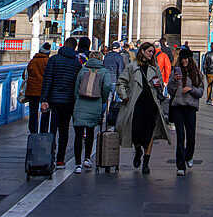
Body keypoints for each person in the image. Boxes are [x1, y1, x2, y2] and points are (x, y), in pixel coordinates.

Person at [115, 41, 170, 174]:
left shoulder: (154, 67)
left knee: (149, 132)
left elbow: (159, 83)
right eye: (150, 51)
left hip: (151, 104)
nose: (152, 54)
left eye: (153, 52)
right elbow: (121, 82)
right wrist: (125, 96)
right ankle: (138, 149)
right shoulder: (132, 67)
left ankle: (146, 162)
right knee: (136, 132)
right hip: (136, 104)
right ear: (142, 51)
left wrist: (159, 84)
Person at [40, 36, 82, 167]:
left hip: (54, 99)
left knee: (52, 129)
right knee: (64, 130)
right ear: (75, 48)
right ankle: (60, 159)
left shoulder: (53, 60)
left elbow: (47, 81)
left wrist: (44, 99)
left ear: (64, 44)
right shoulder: (77, 63)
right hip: (69, 100)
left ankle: (50, 156)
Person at [72, 50, 111, 172]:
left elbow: (76, 87)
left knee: (78, 135)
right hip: (95, 104)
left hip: (80, 104)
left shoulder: (82, 70)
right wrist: (102, 100)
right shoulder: (104, 72)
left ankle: (77, 164)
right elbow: (107, 86)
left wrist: (77, 99)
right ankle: (87, 159)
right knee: (90, 132)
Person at [168, 48, 203, 175]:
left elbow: (200, 93)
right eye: (182, 59)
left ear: (190, 59)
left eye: (185, 59)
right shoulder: (176, 73)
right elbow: (170, 91)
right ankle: (180, 166)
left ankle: (189, 156)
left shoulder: (197, 74)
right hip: (178, 107)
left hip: (190, 108)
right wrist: (174, 81)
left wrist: (190, 89)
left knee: (191, 137)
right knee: (180, 137)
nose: (183, 61)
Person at [24, 42, 52, 133]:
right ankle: (43, 130)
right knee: (45, 111)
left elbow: (25, 75)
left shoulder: (32, 61)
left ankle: (33, 131)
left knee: (33, 112)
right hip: (44, 91)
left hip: (32, 90)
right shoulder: (48, 61)